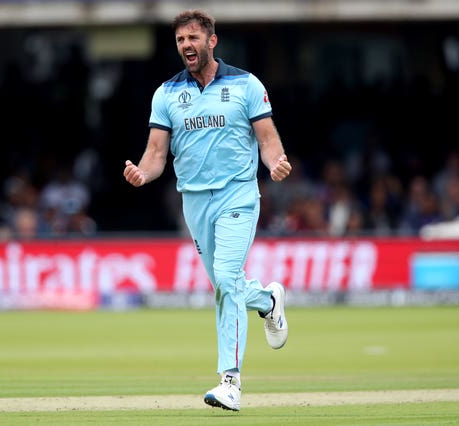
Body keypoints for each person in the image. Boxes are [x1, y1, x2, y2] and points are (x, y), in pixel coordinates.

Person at [123, 9, 291, 412]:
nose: (187, 46)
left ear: (211, 41)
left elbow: (266, 138)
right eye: (180, 40)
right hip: (194, 203)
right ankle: (268, 302)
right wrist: (143, 175)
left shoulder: (246, 84)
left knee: (227, 278)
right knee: (226, 285)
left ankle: (229, 381)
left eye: (193, 38)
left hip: (238, 195)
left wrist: (276, 162)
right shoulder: (166, 94)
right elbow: (156, 153)